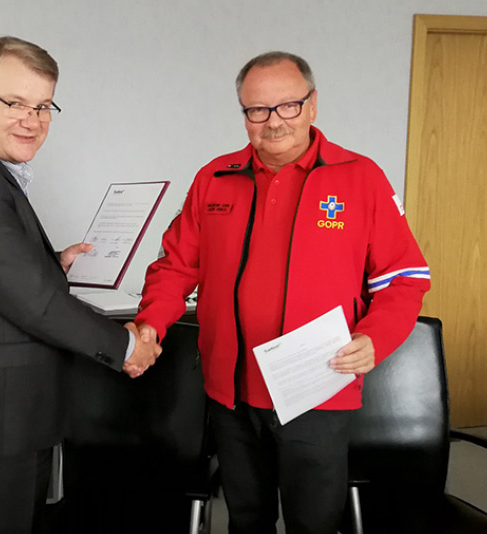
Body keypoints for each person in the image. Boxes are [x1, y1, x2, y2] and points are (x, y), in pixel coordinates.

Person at [134, 51, 430, 534]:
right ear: (244, 114)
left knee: (314, 522)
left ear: (312, 104)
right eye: (257, 110)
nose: (273, 122)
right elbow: (175, 266)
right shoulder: (215, 178)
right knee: (247, 518)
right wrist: (150, 325)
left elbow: (404, 278)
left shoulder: (360, 178)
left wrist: (375, 337)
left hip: (318, 387)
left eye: (288, 106)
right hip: (231, 391)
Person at [0, 36, 160, 534]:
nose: (32, 120)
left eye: (44, 106)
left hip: (3, 412)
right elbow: (33, 303)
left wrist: (51, 263)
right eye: (15, 103)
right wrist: (125, 347)